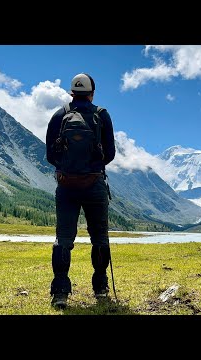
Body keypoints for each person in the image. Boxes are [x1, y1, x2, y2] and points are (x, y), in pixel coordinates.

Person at [45, 73, 116, 309]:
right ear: (92, 93)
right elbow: (111, 153)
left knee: (63, 239)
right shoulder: (102, 115)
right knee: (99, 237)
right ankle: (100, 288)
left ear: (71, 92)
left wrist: (66, 169)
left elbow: (50, 155)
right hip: (94, 184)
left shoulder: (59, 115)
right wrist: (92, 167)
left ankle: (60, 292)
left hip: (66, 186)